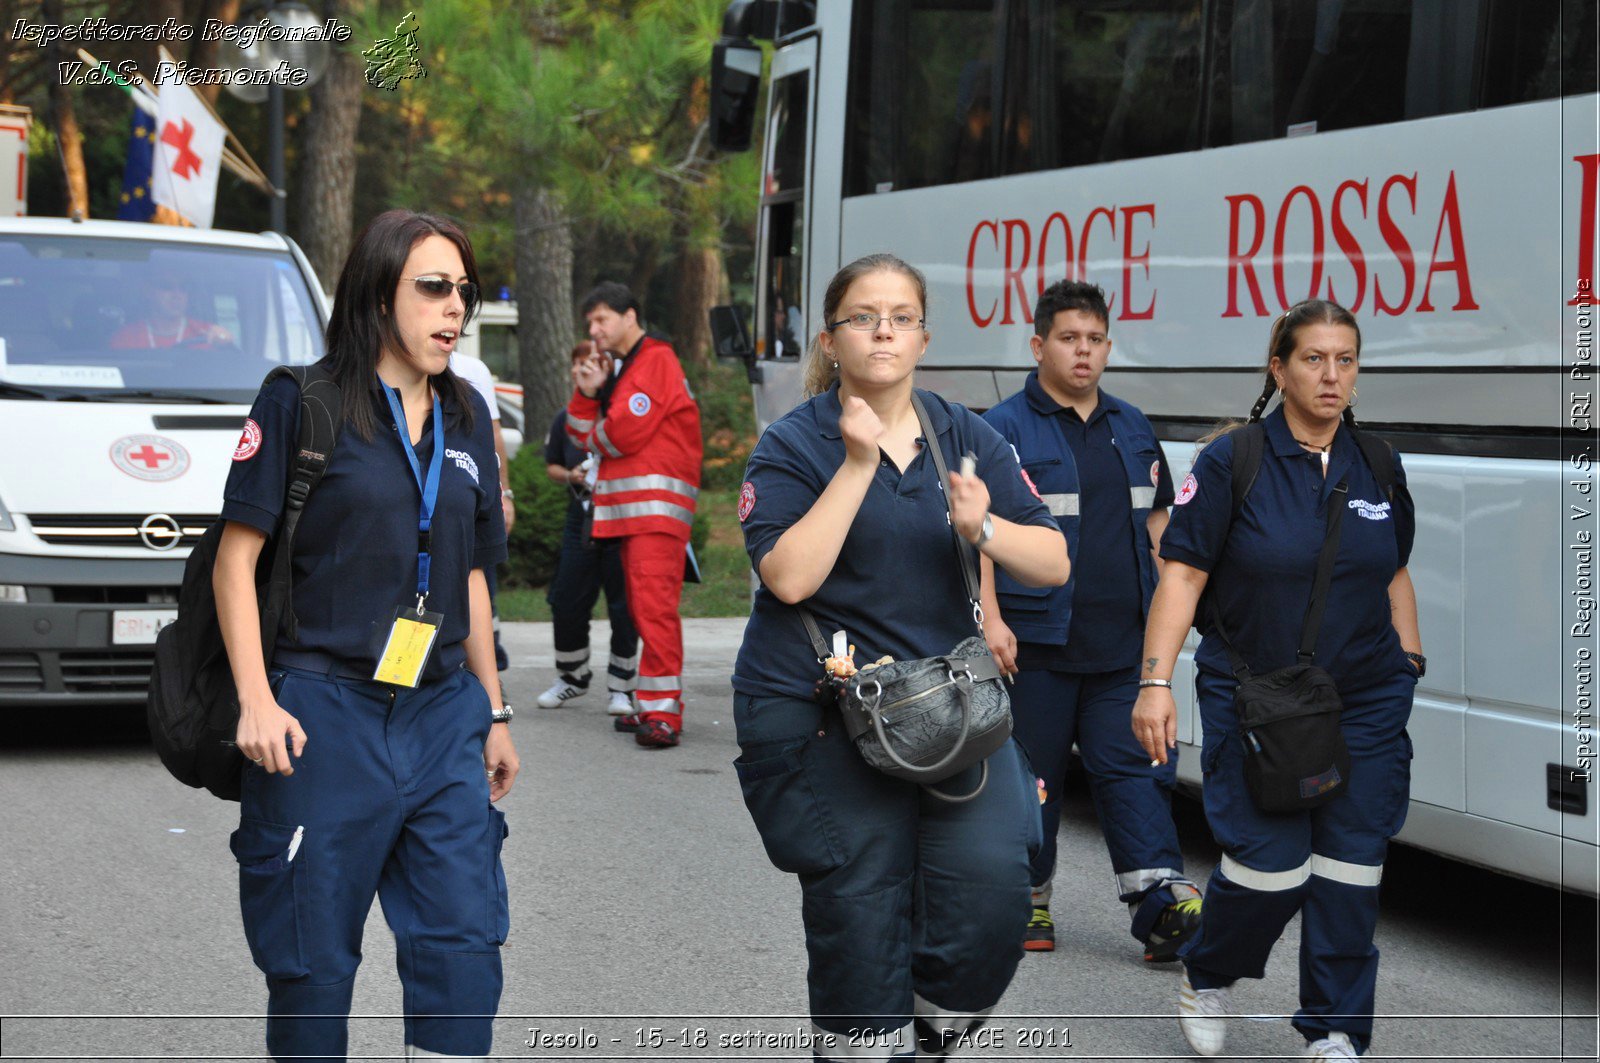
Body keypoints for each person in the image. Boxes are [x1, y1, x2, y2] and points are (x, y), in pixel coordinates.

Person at [732, 254, 1070, 1060]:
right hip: (818, 712)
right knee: (864, 907)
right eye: (862, 315)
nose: (883, 329)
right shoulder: (791, 443)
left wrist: (984, 528)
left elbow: (1053, 560)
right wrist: (857, 464)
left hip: (941, 710)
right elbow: (787, 575)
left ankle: (919, 1038)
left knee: (994, 895)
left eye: (901, 315)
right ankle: (863, 1046)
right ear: (831, 337)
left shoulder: (965, 432)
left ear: (924, 336)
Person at [214, 209, 518, 1061]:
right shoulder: (301, 402)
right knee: (311, 965)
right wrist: (256, 700)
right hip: (323, 712)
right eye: (432, 287)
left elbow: (470, 577)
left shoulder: (465, 415)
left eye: (464, 291)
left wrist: (493, 711)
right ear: (377, 294)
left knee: (463, 950)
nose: (454, 308)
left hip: (440, 714)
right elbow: (236, 564)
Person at [1131, 299, 1422, 1061]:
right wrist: (1155, 681)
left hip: (1363, 698)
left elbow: (1393, 571)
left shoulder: (1380, 465)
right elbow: (1182, 577)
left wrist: (1410, 661)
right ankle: (1209, 965)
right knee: (1269, 868)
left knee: (1351, 870)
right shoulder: (1235, 462)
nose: (1332, 375)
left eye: (1346, 360)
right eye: (1314, 359)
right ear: (1279, 368)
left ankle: (1333, 1029)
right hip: (1258, 696)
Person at [980, 279, 1201, 959]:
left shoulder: (1132, 428)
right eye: (1069, 338)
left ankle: (1160, 904)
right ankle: (1027, 901)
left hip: (1121, 650)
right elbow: (977, 533)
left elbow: (1162, 527)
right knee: (1033, 780)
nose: (1084, 351)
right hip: (1037, 645)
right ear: (1038, 343)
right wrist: (989, 617)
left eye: (1095, 339)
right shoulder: (1002, 429)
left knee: (1136, 772)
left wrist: (1174, 615)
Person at [566, 282, 702, 748]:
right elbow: (579, 434)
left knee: (653, 611)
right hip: (633, 515)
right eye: (590, 323)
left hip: (653, 513)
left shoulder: (655, 359)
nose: (595, 330)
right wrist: (587, 394)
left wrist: (597, 433)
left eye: (602, 319)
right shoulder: (625, 370)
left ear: (630, 316)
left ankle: (663, 714)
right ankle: (651, 704)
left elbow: (624, 431)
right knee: (644, 612)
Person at [537, 341, 639, 714]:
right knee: (566, 600)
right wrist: (571, 474)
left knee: (623, 606)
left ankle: (622, 688)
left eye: (592, 364)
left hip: (621, 517)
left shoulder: (620, 410)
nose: (584, 370)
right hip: (581, 517)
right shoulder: (565, 417)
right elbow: (552, 466)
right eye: (578, 365)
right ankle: (571, 677)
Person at [450, 350, 515, 674]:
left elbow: (494, 438)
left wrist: (505, 493)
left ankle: (486, 671)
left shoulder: (473, 372)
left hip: (464, 497)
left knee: (477, 576)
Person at [110, 270, 234, 348]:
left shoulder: (208, 334)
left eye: (183, 288)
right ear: (148, 292)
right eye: (166, 286)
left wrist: (227, 342)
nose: (177, 295)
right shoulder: (125, 338)